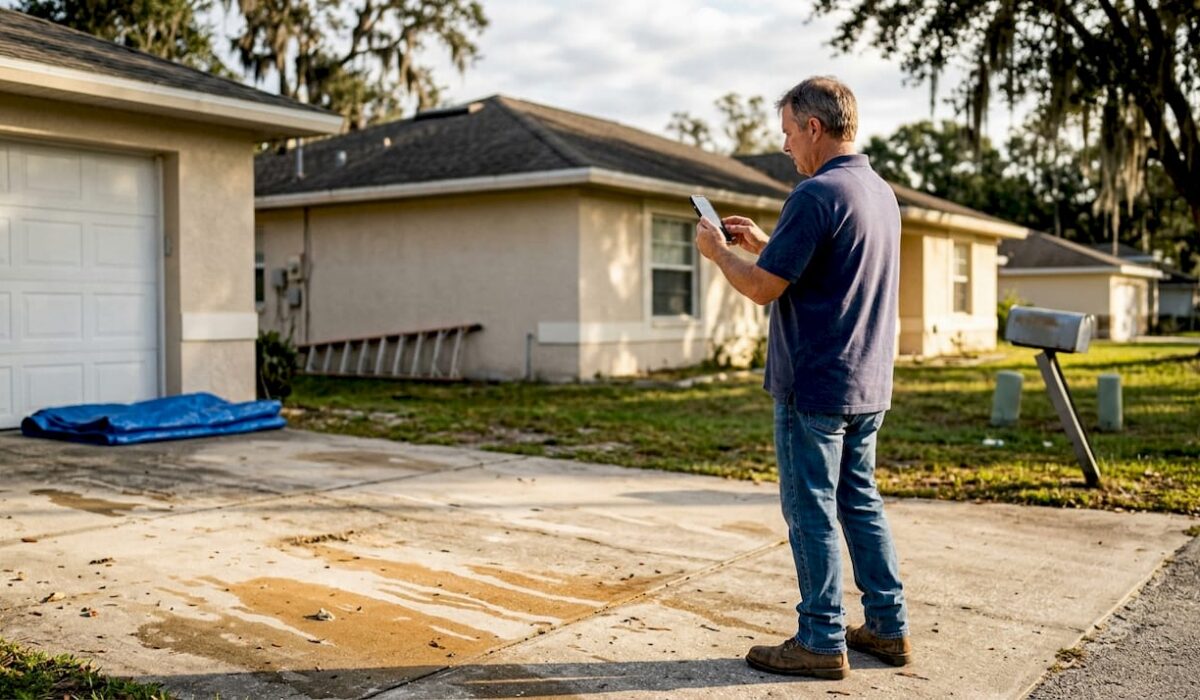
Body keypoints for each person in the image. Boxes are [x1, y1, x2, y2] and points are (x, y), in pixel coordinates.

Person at [694, 76, 911, 680]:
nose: (786, 145)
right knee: (859, 501)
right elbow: (819, 268)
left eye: (789, 132)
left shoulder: (816, 194)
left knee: (810, 508)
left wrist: (718, 253)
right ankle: (888, 627)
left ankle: (820, 639)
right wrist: (766, 242)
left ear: (814, 127)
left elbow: (763, 288)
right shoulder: (878, 193)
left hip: (815, 384)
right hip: (867, 382)